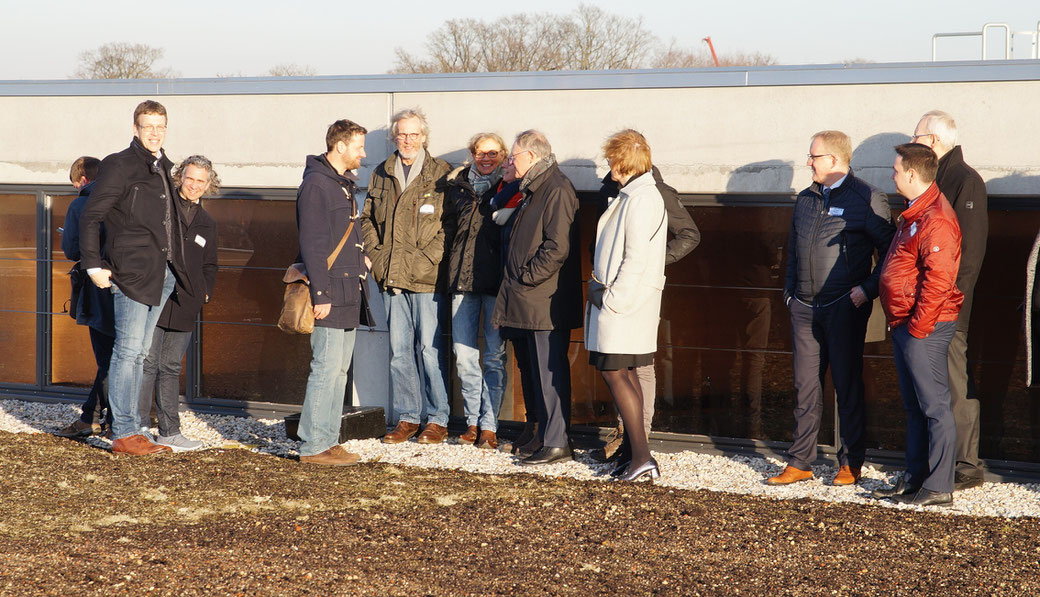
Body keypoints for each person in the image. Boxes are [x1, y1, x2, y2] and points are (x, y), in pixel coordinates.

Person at [768, 130, 895, 486]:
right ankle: (800, 461)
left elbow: (891, 253)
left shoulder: (868, 197)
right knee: (804, 386)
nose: (808, 162)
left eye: (814, 156)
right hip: (805, 308)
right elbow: (792, 250)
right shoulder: (806, 198)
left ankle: (850, 463)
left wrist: (866, 290)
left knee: (847, 386)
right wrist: (790, 293)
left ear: (835, 160)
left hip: (844, 306)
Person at [79, 100, 186, 455]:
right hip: (131, 272)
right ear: (136, 129)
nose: (155, 133)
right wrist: (94, 265)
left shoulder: (164, 167)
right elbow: (91, 216)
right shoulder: (119, 165)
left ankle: (134, 427)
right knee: (127, 351)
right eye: (148, 126)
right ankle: (124, 432)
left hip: (163, 273)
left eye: (161, 126)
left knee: (140, 352)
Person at [872, 143, 963, 507]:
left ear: (912, 174)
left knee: (935, 407)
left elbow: (939, 282)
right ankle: (914, 478)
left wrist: (918, 328)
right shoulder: (915, 213)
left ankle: (939, 486)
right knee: (914, 406)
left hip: (923, 327)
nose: (891, 175)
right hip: (905, 324)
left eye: (895, 170)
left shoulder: (936, 219)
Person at [360, 109, 455, 445]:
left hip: (428, 278)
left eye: (414, 134)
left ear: (424, 136)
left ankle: (438, 418)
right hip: (392, 277)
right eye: (402, 134)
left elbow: (449, 227)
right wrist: (378, 257)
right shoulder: (381, 173)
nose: (407, 140)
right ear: (394, 136)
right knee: (400, 351)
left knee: (429, 350)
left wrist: (426, 259)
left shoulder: (441, 173)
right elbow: (367, 220)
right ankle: (408, 417)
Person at [593, 164, 700, 462]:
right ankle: (627, 437)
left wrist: (655, 262)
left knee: (640, 364)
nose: (612, 165)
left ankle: (639, 437)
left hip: (641, 289)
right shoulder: (611, 190)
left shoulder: (655, 192)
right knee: (620, 364)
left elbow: (689, 234)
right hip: (613, 286)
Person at [492, 130, 583, 466]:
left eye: (514, 155)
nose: (509, 160)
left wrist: (526, 278)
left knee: (550, 372)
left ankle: (558, 442)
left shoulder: (556, 189)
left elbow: (557, 248)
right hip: (530, 298)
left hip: (543, 300)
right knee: (536, 372)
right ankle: (547, 437)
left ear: (531, 156)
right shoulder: (535, 187)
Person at [911, 110, 989, 491]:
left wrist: (948, 307)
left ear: (934, 141)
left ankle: (964, 464)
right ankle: (938, 461)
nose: (912, 145)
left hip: (948, 309)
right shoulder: (936, 180)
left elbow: (969, 256)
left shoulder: (964, 181)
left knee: (954, 383)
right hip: (928, 307)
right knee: (935, 385)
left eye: (916, 137)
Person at [585, 130, 668, 481]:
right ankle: (635, 455)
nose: (609, 166)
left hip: (624, 305)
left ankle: (642, 458)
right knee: (624, 374)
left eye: (611, 160)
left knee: (615, 372)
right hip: (623, 303)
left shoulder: (642, 198)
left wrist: (611, 300)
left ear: (623, 162)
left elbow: (636, 259)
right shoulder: (634, 194)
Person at [295, 119, 373, 465]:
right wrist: (320, 295)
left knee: (339, 370)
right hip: (330, 292)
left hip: (348, 289)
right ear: (340, 146)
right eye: (359, 146)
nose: (363, 153)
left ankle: (328, 440)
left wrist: (363, 258)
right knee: (325, 368)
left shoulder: (341, 184)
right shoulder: (317, 185)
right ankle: (313, 445)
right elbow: (312, 244)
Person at [136, 156, 220, 452]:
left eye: (201, 181)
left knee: (170, 366)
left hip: (186, 303)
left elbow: (210, 265)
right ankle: (138, 428)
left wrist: (203, 293)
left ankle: (170, 431)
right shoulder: (163, 209)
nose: (195, 185)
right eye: (190, 178)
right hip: (156, 297)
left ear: (208, 185)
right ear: (179, 178)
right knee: (147, 364)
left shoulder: (207, 223)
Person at [445, 133, 509, 449]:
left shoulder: (510, 188)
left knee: (494, 357)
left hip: (496, 285)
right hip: (462, 282)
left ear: (503, 155)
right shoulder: (457, 187)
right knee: (465, 357)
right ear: (472, 154)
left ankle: (490, 425)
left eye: (493, 153)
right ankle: (472, 422)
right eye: (480, 152)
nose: (486, 158)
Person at [56, 156, 116, 438]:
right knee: (124, 355)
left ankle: (108, 420)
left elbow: (71, 250)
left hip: (96, 289)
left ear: (81, 180)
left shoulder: (80, 203)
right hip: (128, 284)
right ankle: (92, 416)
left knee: (108, 358)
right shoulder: (120, 198)